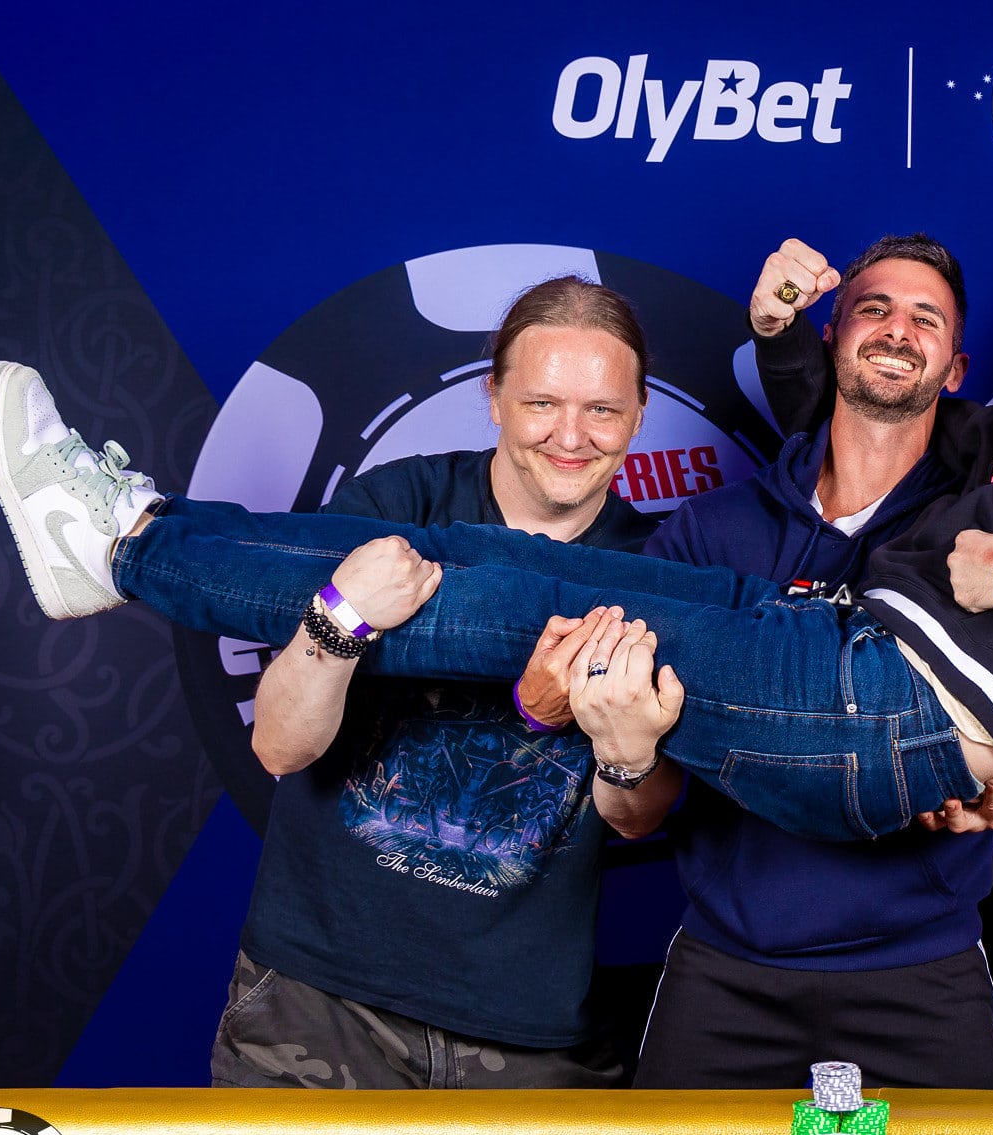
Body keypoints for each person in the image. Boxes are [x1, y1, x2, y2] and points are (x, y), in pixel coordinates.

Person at [0, 177, 993, 849]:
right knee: (482, 559)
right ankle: (127, 531)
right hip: (838, 653)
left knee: (505, 594)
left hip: (882, 706)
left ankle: (122, 543)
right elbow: (875, 422)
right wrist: (786, 338)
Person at [513, 234, 993, 1090]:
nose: (898, 331)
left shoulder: (991, 538)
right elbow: (634, 812)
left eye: (926, 319)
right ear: (830, 338)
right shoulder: (711, 534)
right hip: (728, 968)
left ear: (955, 369)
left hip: (922, 972)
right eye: (874, 309)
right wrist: (618, 750)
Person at [169, 278, 665, 1087]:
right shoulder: (396, 506)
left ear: (640, 413)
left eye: (603, 409)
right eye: (541, 402)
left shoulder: (657, 569)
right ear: (493, 397)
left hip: (529, 1031)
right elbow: (281, 746)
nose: (571, 436)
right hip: (320, 1001)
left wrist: (622, 746)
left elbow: (638, 819)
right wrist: (340, 617)